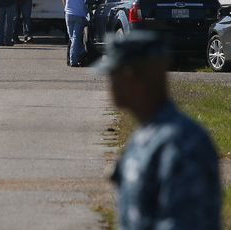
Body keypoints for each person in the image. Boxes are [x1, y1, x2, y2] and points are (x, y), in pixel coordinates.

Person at [94, 31, 221, 230]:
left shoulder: (181, 144)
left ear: (129, 77)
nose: (108, 84)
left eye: (112, 75)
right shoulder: (146, 135)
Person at [60, 0, 103, 67]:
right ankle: (75, 59)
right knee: (75, 38)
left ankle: (79, 55)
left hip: (68, 14)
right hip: (79, 14)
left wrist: (66, 7)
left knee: (72, 38)